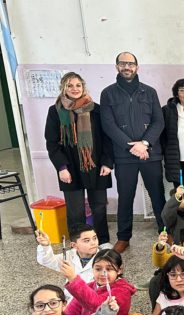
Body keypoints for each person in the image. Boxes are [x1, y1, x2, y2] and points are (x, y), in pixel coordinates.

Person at [99, 51, 165, 253]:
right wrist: (132, 146)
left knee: (157, 195)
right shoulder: (108, 93)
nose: (127, 67)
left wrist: (144, 144)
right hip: (124, 156)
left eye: (130, 64)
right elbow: (108, 125)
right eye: (122, 63)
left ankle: (164, 232)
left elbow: (158, 121)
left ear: (137, 67)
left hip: (150, 153)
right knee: (125, 196)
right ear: (117, 66)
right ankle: (123, 237)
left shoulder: (150, 92)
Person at [44, 72, 112, 245]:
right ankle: (78, 243)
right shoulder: (55, 111)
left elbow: (107, 138)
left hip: (95, 164)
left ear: (83, 87)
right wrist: (61, 167)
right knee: (75, 210)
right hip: (70, 167)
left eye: (78, 85)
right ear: (63, 88)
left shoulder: (95, 109)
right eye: (70, 85)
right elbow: (52, 142)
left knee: (99, 206)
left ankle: (102, 241)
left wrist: (107, 162)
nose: (74, 89)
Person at [36, 223, 100, 299]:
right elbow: (47, 261)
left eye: (95, 238)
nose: (93, 243)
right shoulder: (69, 256)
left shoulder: (104, 257)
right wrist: (45, 246)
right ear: (74, 245)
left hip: (93, 299)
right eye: (86, 240)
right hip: (70, 298)